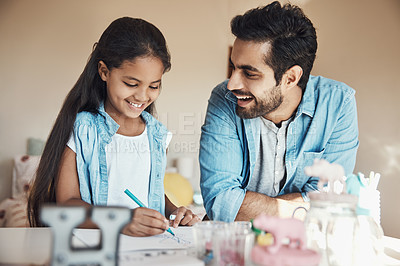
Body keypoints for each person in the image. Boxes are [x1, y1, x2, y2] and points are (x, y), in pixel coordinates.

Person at [27, 17, 200, 236]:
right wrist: (121, 220)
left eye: (154, 86)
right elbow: (67, 204)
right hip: (96, 248)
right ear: (104, 71)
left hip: (149, 250)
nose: (143, 95)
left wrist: (174, 212)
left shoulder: (157, 135)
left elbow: (150, 192)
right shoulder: (83, 129)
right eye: (131, 84)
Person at [199, 1, 359, 222]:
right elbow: (221, 201)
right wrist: (304, 207)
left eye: (249, 73)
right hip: (239, 244)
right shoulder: (224, 99)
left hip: (301, 246)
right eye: (233, 67)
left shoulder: (338, 104)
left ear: (290, 78)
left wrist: (245, 205)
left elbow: (329, 203)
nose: (231, 84)